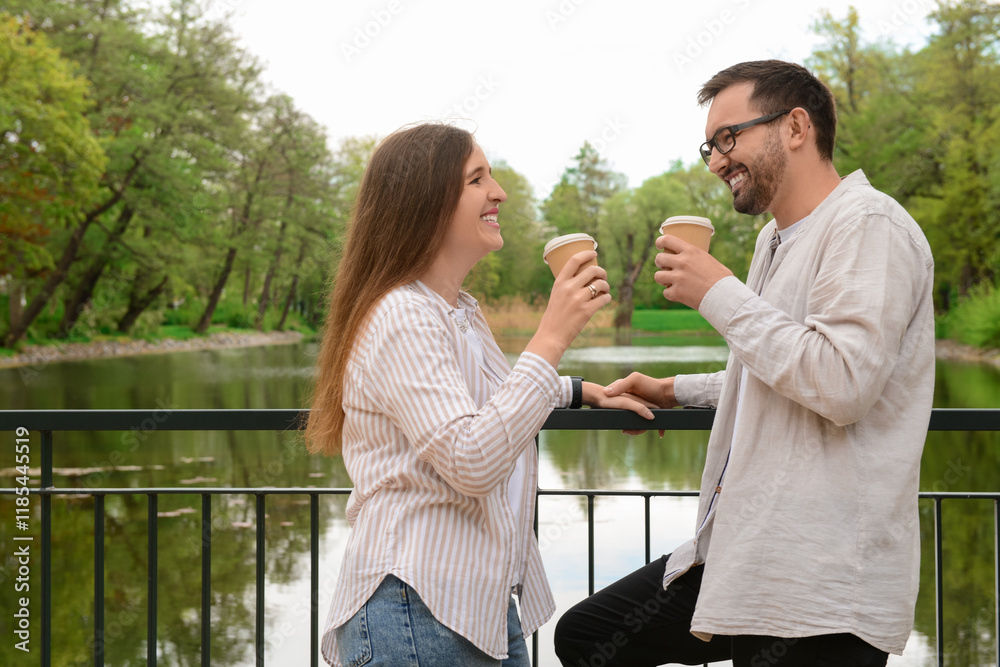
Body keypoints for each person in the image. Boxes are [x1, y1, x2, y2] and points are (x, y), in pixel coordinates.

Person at [553, 59, 935, 667]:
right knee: (588, 636)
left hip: (821, 582)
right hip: (749, 554)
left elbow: (841, 383)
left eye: (729, 138)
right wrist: (676, 389)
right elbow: (782, 364)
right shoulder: (775, 240)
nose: (715, 162)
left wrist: (717, 293)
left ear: (795, 127)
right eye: (710, 145)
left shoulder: (868, 224)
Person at [305, 122, 654, 667]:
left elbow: (491, 403)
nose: (500, 193)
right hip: (414, 607)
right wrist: (552, 336)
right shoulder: (401, 314)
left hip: (470, 604)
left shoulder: (456, 310)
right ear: (427, 203)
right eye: (477, 179)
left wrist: (581, 391)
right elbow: (471, 459)